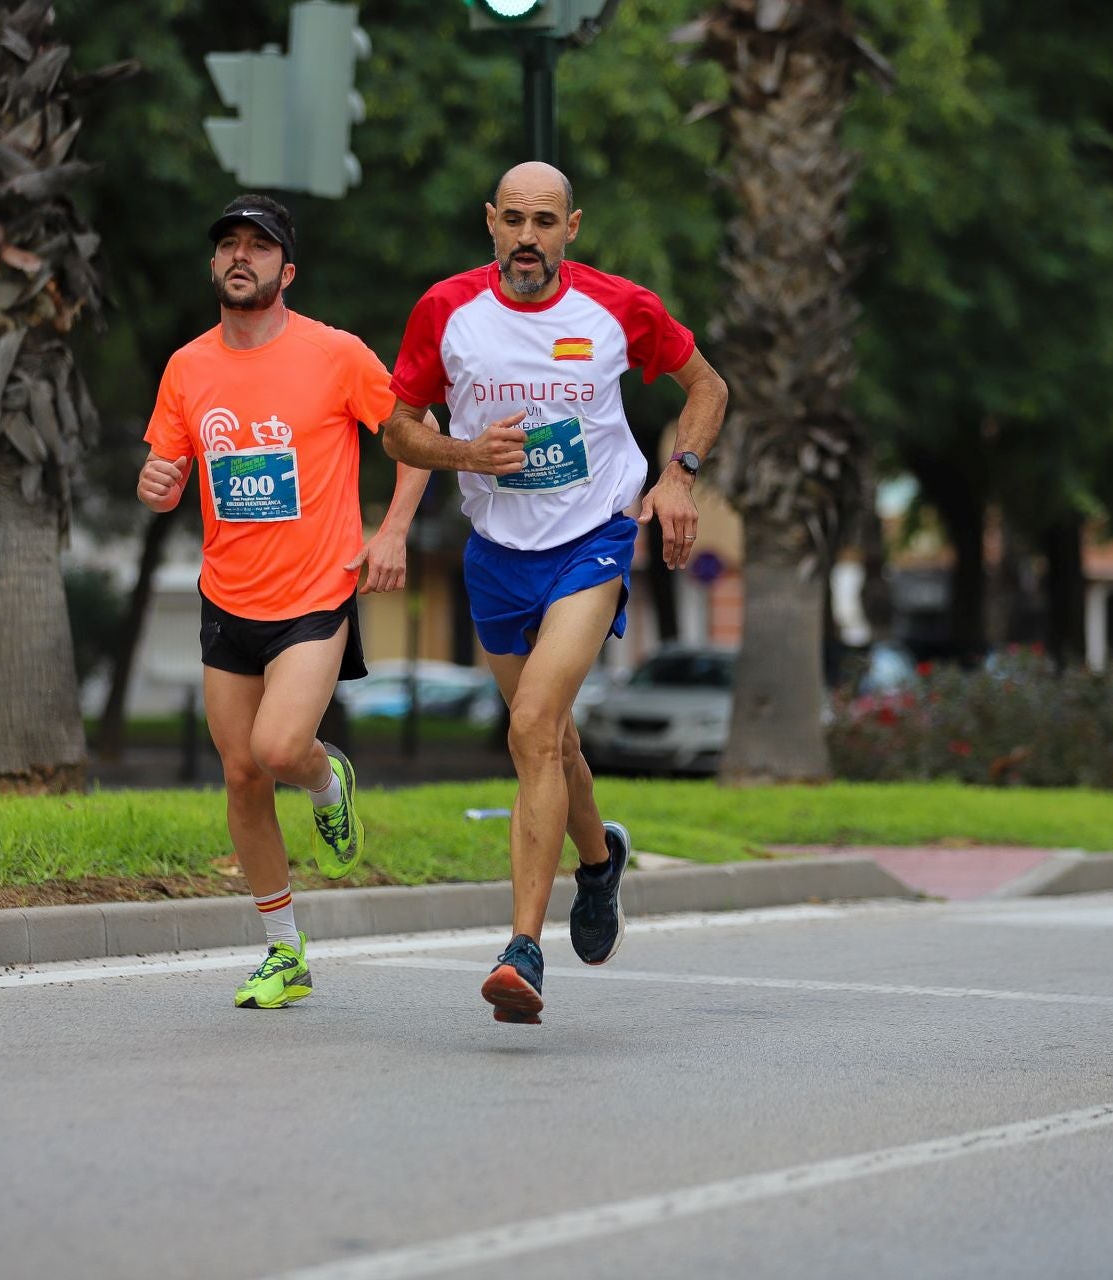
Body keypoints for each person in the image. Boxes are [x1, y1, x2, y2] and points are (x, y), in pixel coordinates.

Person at [382, 162, 729, 1023]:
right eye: (513, 220)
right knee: (555, 740)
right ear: (489, 222)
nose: (528, 237)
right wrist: (466, 455)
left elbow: (707, 387)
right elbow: (397, 426)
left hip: (593, 541)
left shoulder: (618, 307)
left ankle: (522, 950)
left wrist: (680, 479)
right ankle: (599, 861)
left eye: (546, 221)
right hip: (497, 553)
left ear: (572, 227)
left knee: (533, 726)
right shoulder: (446, 311)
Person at [138, 194, 428, 1010]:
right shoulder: (188, 367)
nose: (241, 256)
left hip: (315, 593)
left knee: (277, 747)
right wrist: (155, 484)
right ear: (214, 266)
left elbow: (415, 434)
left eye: (258, 247)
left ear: (286, 271)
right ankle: (284, 952)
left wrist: (392, 532)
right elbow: (164, 477)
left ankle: (328, 779)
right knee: (239, 775)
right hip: (227, 596)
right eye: (228, 244)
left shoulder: (335, 355)